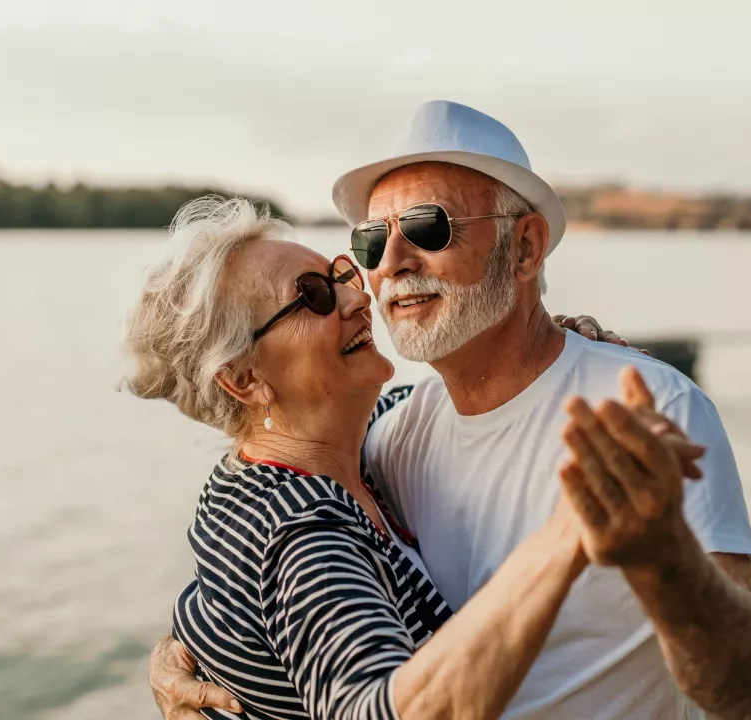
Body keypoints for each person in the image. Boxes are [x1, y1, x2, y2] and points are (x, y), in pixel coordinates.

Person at [152, 101, 751, 719]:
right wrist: (193, 643)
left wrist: (668, 564)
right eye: (372, 242)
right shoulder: (393, 437)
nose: (391, 267)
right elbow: (272, 543)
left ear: (525, 249)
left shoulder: (647, 413)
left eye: (430, 229)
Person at [124, 196, 673, 719]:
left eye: (341, 274)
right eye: (313, 295)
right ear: (244, 380)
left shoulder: (335, 449)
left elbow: (478, 398)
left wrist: (555, 346)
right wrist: (565, 539)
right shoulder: (301, 529)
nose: (358, 297)